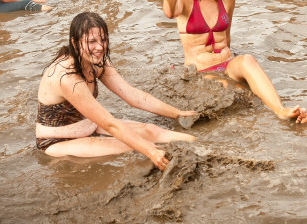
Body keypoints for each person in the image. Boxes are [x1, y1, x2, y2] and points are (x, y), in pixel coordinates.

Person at [162, 0, 307, 124]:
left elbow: (226, 35)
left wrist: (237, 67)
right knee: (235, 94)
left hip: (227, 63)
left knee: (247, 59)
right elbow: (170, 11)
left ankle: (281, 111)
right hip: (201, 71)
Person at [36, 12, 197, 167]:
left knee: (151, 130)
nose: (99, 47)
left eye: (103, 40)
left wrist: (178, 113)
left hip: (90, 126)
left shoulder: (97, 62)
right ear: (74, 42)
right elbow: (109, 124)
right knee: (136, 149)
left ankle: (203, 143)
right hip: (58, 141)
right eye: (91, 42)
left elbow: (132, 95)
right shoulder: (67, 78)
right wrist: (151, 152)